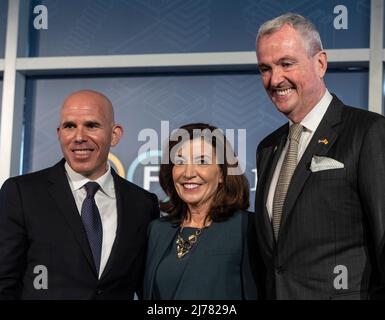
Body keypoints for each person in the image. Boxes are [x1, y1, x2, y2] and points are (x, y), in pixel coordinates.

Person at [254, 13, 385, 299]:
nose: (275, 79)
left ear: (320, 63)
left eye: (287, 63)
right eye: (265, 68)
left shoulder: (369, 132)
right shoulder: (267, 148)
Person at [0, 90, 159, 299]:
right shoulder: (21, 193)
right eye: (69, 126)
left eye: (92, 125)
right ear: (59, 133)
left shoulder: (143, 203)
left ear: (114, 134)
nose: (79, 137)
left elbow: (147, 287)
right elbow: (4, 282)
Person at [143, 123, 261, 300]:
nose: (188, 172)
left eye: (202, 161)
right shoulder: (157, 230)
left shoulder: (247, 227)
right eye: (180, 161)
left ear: (222, 173)